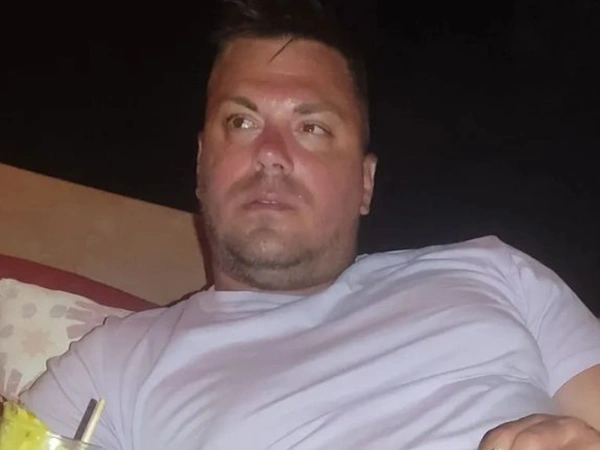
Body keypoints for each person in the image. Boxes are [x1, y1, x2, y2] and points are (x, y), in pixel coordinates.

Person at [15, 0, 600, 449]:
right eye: (241, 122)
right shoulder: (113, 367)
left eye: (312, 128)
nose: (271, 153)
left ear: (365, 183)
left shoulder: (495, 272)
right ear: (200, 165)